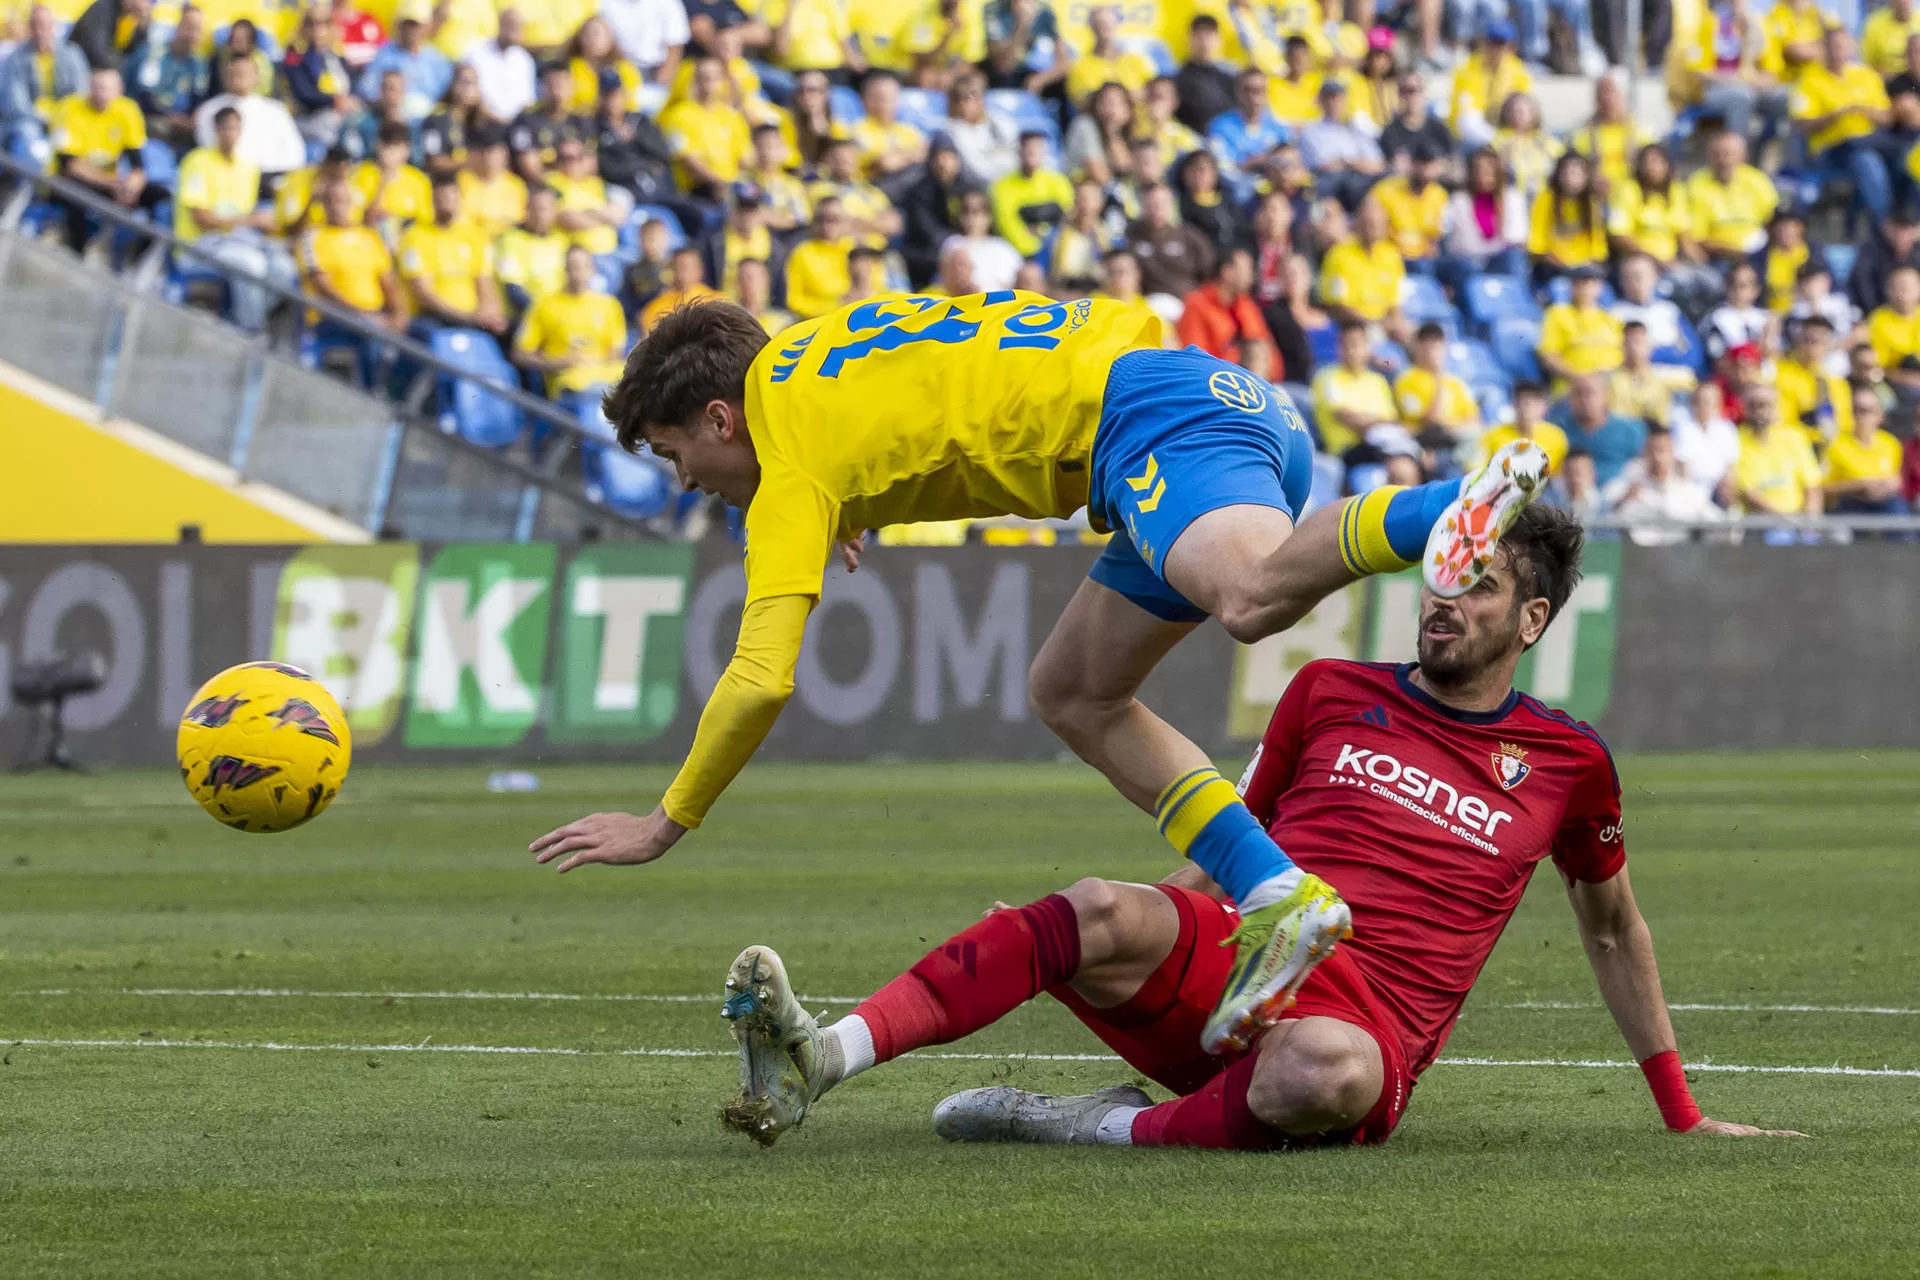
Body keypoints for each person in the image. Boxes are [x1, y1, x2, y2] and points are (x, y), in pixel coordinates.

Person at [531, 291, 1554, 1062]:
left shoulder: (785, 454)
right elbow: (941, 390)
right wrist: (844, 505)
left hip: (1152, 421)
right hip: (1183, 392)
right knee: (1072, 690)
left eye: (675, 455)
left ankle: (1442, 512)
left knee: (1248, 597)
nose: (684, 481)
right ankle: (1275, 888)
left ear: (719, 417)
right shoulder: (812, 351)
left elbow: (759, 678)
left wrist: (667, 819)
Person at [713, 505, 1802, 1150]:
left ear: (1529, 621)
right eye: (1442, 575)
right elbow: (1232, 840)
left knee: (1319, 1071)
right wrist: (1120, 929)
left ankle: (1080, 1123)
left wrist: (1682, 1111)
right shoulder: (1328, 687)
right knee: (1091, 903)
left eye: (1479, 588)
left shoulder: (1571, 762)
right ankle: (820, 1056)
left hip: (1362, 1027)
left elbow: (1611, 928)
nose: (1445, 598)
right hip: (1242, 958)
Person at [174, 104, 291, 333]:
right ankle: (252, 332)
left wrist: (261, 221)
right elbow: (203, 219)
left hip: (238, 240)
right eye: (226, 127)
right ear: (216, 130)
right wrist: (250, 221)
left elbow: (244, 215)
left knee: (284, 268)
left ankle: (241, 322)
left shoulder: (248, 167)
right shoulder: (197, 161)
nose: (231, 133)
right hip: (200, 242)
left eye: (236, 128)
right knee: (251, 265)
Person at [49, 66, 159, 251]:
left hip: (109, 181)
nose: (100, 93)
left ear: (119, 89)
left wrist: (132, 184)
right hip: (70, 180)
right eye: (96, 86)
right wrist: (112, 184)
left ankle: (139, 258)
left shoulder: (128, 110)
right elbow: (70, 165)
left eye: (105, 88)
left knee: (158, 196)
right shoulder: (68, 108)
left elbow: (137, 160)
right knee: (76, 194)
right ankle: (77, 252)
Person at [1791, 27, 1893, 222]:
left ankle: (1905, 226)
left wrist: (1867, 111)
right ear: (1823, 49)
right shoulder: (1809, 80)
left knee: (1905, 159)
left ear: (1852, 48)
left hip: (1869, 142)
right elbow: (1802, 124)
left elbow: (1888, 118)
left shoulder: (1866, 76)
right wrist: (1837, 115)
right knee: (1867, 160)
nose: (1838, 50)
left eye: (1842, 45)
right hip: (1830, 150)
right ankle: (1884, 224)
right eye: (1832, 46)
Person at [513, 243, 629, 408]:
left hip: (602, 376)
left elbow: (614, 354)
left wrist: (593, 362)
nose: (578, 273)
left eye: (583, 267)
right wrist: (558, 362)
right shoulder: (544, 305)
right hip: (567, 382)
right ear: (565, 270)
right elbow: (520, 354)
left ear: (592, 269)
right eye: (573, 267)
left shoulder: (609, 305)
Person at [398, 175, 505, 335]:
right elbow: (423, 291)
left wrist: (487, 313)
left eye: (451, 197)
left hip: (472, 316)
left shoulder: (474, 235)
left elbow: (484, 281)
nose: (447, 203)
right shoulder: (415, 236)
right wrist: (463, 318)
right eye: (441, 198)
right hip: (435, 317)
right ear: (432, 200)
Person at [2, 4, 94, 163]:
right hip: (30, 121)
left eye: (45, 26)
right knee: (28, 137)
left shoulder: (71, 54)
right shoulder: (15, 59)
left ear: (54, 27)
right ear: (29, 29)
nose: (41, 32)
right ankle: (29, 184)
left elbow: (81, 92)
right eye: (36, 26)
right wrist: (45, 120)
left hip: (66, 117)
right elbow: (16, 104)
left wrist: (61, 118)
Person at [1605, 427, 1722, 543]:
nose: (1656, 457)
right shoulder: (1628, 485)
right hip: (1637, 555)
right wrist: (1624, 498)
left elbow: (1715, 521)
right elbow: (1604, 513)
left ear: (1672, 454)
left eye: (1661, 450)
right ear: (1644, 453)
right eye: (1651, 450)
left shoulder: (1687, 490)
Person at [193, 53, 304, 175]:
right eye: (234, 73)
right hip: (226, 175)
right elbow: (207, 147)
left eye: (245, 73)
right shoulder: (209, 110)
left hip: (269, 176)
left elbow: (295, 153)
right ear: (224, 77)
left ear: (256, 77)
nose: (240, 78)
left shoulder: (276, 110)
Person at [1437, 146, 1527, 291]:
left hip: (1498, 258)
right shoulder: (1458, 200)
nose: (1484, 176)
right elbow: (1454, 242)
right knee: (1467, 266)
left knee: (1515, 257)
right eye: (1478, 170)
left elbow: (1516, 238)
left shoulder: (1513, 198)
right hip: (1466, 259)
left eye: (1489, 171)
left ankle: (1517, 303)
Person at [1686, 129, 1777, 267]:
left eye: (1728, 154)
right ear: (1708, 157)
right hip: (1717, 257)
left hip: (1758, 253)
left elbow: (1774, 221)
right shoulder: (1697, 185)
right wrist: (1731, 251)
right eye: (1716, 155)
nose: (1723, 160)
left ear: (1742, 156)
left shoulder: (1758, 181)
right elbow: (1696, 238)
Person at [1318, 197, 1406, 338]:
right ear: (1357, 224)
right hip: (1353, 326)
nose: (1372, 229)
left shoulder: (1391, 256)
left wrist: (1395, 323)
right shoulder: (1339, 255)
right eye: (1368, 223)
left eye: (1377, 224)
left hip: (1383, 324)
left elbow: (1395, 302)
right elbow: (1337, 305)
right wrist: (1370, 324)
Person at [1733, 383, 1823, 515]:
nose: (1759, 412)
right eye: (1753, 405)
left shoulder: (1794, 438)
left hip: (1798, 520)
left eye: (1765, 405)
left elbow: (1812, 486)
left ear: (1776, 408)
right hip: (1758, 520)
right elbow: (1747, 493)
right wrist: (1785, 520)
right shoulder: (1736, 440)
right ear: (1745, 408)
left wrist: (1811, 521)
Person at [1310, 319, 1398, 455]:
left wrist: (1367, 421)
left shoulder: (1378, 380)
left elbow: (1390, 420)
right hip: (1347, 450)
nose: (1351, 351)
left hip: (1381, 444)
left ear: (1367, 347)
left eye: (1356, 344)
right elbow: (1345, 416)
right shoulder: (1326, 377)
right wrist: (1375, 421)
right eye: (1345, 345)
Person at [1296, 80, 1384, 210]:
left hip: (1359, 180)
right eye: (1329, 98)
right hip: (1330, 183)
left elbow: (1377, 164)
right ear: (1321, 101)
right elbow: (1324, 166)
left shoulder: (1357, 127)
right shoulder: (1311, 131)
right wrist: (1353, 163)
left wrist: (1348, 162)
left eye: (1338, 98)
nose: (1334, 103)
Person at [1178, 246, 1274, 363]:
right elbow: (1194, 355)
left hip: (1249, 375)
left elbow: (1267, 349)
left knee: (1257, 349)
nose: (1251, 277)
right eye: (1246, 270)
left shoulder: (1247, 305)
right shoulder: (1197, 304)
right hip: (1214, 374)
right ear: (1226, 272)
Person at [1553, 372, 1648, 487]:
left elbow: (1645, 464)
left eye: (1590, 393)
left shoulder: (1630, 429)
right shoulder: (1556, 430)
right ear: (1570, 398)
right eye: (1579, 394)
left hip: (1617, 493)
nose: (1585, 400)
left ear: (1605, 395)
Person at [991, 129, 1073, 259]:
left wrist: (1037, 230)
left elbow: (1068, 216)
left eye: (1037, 147)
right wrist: (1034, 250)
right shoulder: (1003, 186)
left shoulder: (1058, 181)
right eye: (1027, 148)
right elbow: (1007, 225)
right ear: (1019, 151)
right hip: (1020, 255)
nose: (1032, 152)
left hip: (1056, 252)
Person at [1449, 21, 1532, 149]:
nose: (1497, 49)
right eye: (1493, 42)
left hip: (1505, 131)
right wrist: (1497, 139)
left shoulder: (1520, 72)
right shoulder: (1467, 69)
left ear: (1512, 47)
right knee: (1469, 122)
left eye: (1502, 44)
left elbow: (1523, 112)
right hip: (1472, 135)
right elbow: (1467, 115)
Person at [1824, 387, 1908, 512]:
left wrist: (1889, 485)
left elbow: (1899, 480)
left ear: (1880, 415)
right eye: (1858, 410)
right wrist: (1857, 485)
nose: (1863, 416)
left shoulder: (1890, 443)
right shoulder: (1836, 445)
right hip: (1850, 503)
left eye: (1869, 411)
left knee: (1898, 508)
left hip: (1885, 502)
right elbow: (1824, 488)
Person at [1528, 152, 1606, 284]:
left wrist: (1584, 266)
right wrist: (1565, 266)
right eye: (1568, 173)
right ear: (1558, 174)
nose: (1572, 178)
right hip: (1553, 268)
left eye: (1578, 173)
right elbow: (1537, 247)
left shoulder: (1592, 203)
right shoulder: (1545, 199)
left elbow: (1598, 249)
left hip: (1585, 268)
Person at [1127, 180, 1213, 301]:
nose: (1155, 210)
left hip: (1189, 302)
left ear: (1171, 205)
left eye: (1161, 204)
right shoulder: (1130, 237)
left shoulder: (1190, 236)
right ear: (1140, 206)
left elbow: (1209, 273)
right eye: (1149, 204)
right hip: (1148, 303)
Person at [1396, 321, 1481, 441]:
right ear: (1419, 347)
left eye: (1437, 346)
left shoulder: (1454, 381)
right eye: (1429, 347)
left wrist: (1453, 427)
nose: (1433, 352)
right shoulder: (1406, 380)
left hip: (1457, 437)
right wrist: (1438, 379)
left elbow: (1475, 420)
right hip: (1427, 441)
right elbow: (1429, 422)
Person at [357, 17, 453, 122]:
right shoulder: (383, 54)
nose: (411, 30)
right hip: (385, 116)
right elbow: (367, 90)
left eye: (416, 25)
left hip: (427, 119)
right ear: (400, 26)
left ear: (426, 27)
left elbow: (447, 94)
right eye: (407, 24)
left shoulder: (436, 58)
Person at [1775, 313, 1850, 445]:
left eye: (1820, 342)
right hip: (1795, 446)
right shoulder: (1779, 375)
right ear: (1798, 341)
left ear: (1828, 346)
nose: (1813, 347)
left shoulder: (1837, 384)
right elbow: (1782, 422)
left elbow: (1845, 423)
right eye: (1808, 340)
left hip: (1831, 449)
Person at [1207, 67, 1289, 187]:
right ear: (1237, 92)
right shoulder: (1220, 127)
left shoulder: (1279, 125)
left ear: (1266, 94)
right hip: (1240, 189)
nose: (1253, 97)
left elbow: (1290, 161)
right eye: (1247, 90)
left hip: (1276, 186)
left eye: (1259, 91)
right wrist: (1255, 162)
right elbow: (1224, 169)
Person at [1368, 142, 1446, 264]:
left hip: (1424, 257)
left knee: (1460, 267)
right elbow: (1373, 230)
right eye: (1421, 163)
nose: (1426, 170)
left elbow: (1435, 237)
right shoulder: (1385, 190)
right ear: (1412, 163)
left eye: (1430, 164)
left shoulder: (1439, 195)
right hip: (1393, 256)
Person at [780, 194, 856, 317]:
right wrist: (831, 309)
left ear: (845, 221)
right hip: (817, 322)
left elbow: (875, 287)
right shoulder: (802, 253)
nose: (826, 226)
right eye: (820, 219)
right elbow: (793, 300)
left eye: (833, 219)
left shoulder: (855, 250)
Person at [496, 183, 568, 309]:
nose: (540, 215)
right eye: (534, 209)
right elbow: (513, 289)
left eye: (545, 209)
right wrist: (544, 312)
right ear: (526, 210)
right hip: (530, 315)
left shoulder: (562, 240)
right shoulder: (510, 240)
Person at [1065, 4, 1152, 107]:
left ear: (1117, 25)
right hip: (1099, 120)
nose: (1103, 30)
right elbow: (1081, 102)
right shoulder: (1079, 66)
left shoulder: (1137, 61)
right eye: (1099, 25)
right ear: (1091, 28)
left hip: (1137, 118)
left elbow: (1151, 93)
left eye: (1108, 25)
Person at [1609, 321, 1694, 427]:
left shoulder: (1662, 377)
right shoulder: (1610, 379)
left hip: (1658, 436)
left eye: (1638, 342)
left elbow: (1691, 379)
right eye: (1628, 343)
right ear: (1622, 347)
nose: (1633, 348)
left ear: (1649, 346)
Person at [1672, 379, 1742, 502]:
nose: (1703, 407)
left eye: (1707, 402)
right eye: (1698, 402)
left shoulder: (1727, 429)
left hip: (1720, 491)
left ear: (1717, 405)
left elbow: (1730, 466)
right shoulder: (1683, 428)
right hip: (1692, 490)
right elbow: (1683, 468)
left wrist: (1724, 490)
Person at [944, 67, 1017, 185]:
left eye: (971, 95)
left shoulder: (1002, 122)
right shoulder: (953, 130)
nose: (963, 103)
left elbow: (1018, 155)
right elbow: (977, 171)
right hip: (981, 187)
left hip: (1013, 183)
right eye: (958, 98)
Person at [1479, 380, 1569, 473]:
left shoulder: (1556, 437)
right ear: (1514, 405)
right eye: (1522, 402)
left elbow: (1559, 477)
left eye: (1533, 403)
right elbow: (1481, 472)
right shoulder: (1492, 435)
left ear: (1544, 407)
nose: (1527, 408)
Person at [467, 7, 537, 124]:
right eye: (510, 24)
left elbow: (527, 101)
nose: (514, 30)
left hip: (516, 125)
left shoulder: (524, 60)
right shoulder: (477, 53)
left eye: (518, 26)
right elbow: (472, 96)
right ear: (500, 24)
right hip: (482, 122)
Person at [946, 186, 1023, 290]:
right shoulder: (954, 244)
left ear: (988, 216)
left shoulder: (1004, 248)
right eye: (966, 211)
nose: (971, 218)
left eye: (976, 212)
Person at [457, 127, 529, 236]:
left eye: (493, 152)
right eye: (483, 151)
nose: (488, 157)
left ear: (504, 154)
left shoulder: (516, 185)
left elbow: (520, 220)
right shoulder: (462, 182)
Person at [1175, 13, 1237, 134]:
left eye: (1209, 35)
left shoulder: (1230, 78)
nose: (1204, 42)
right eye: (1198, 35)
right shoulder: (1178, 80)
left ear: (1218, 39)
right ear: (1189, 38)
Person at [420, 63, 484, 178]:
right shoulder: (437, 119)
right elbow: (434, 160)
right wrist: (468, 163)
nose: (470, 89)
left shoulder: (476, 120)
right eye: (466, 83)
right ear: (453, 85)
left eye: (474, 83)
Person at [1378, 72, 1452, 171]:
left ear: (1424, 93)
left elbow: (1456, 165)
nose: (1411, 96)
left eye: (1415, 90)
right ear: (1399, 95)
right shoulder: (1390, 132)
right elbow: (1384, 167)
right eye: (1405, 91)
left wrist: (1437, 167)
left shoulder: (1439, 130)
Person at [639, 242, 723, 329]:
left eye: (687, 267)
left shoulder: (718, 302)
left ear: (700, 270)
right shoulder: (656, 307)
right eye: (678, 267)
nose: (683, 273)